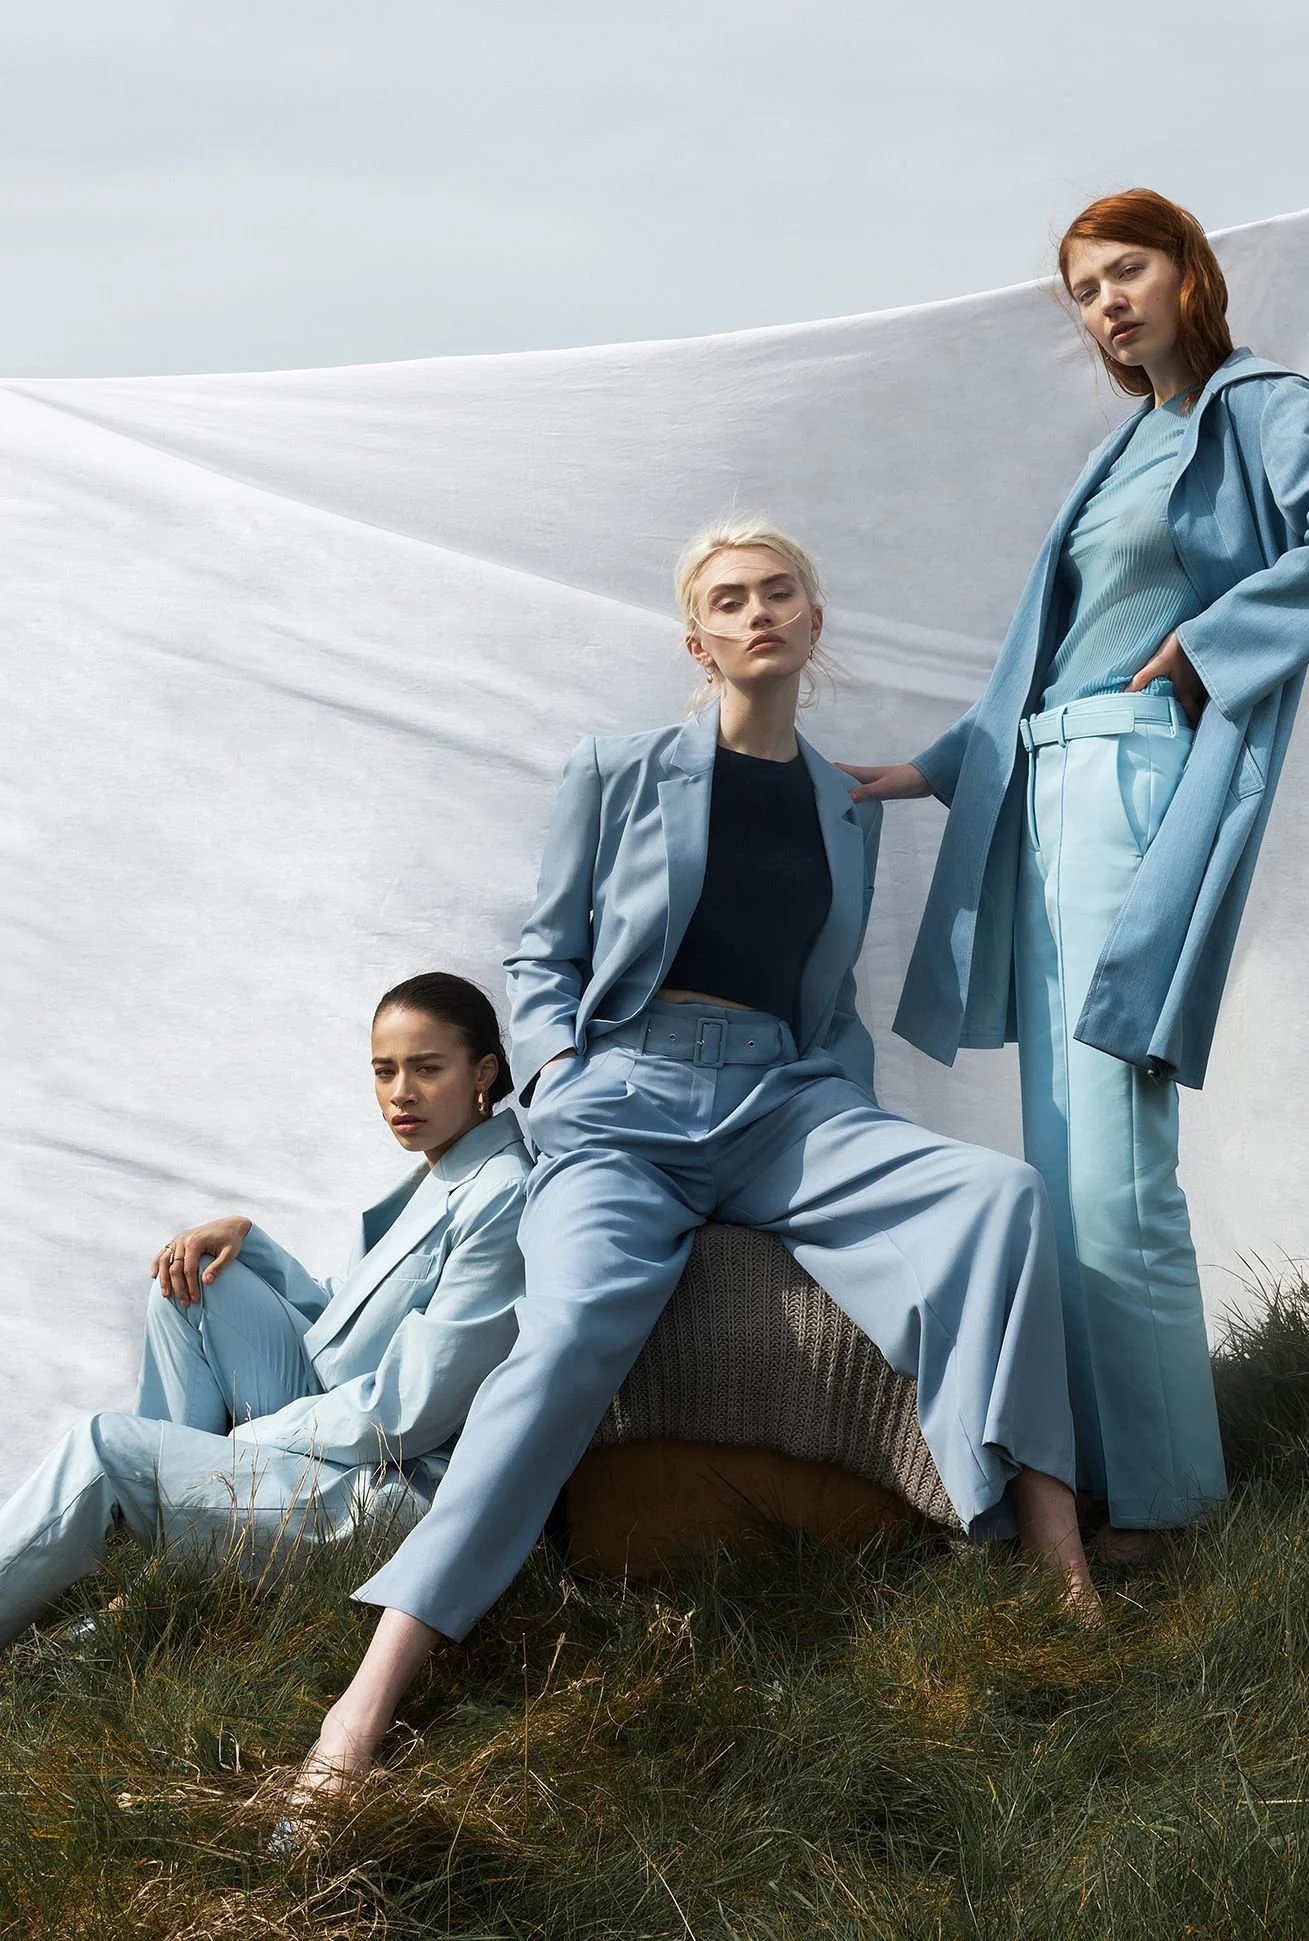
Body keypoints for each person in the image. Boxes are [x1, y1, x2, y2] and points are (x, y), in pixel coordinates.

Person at [289, 519, 1097, 1807]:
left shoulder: (844, 802)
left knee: (995, 1194)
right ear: (698, 638)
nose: (760, 611)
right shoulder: (617, 769)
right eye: (731, 599)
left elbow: (830, 998)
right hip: (628, 1098)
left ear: (813, 624)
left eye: (782, 592)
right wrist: (561, 1082)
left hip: (784, 1095)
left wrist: (842, 1115)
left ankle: (1054, 1563)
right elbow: (545, 957)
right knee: (565, 1340)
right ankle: (369, 1693)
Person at [841, 189, 1309, 1562]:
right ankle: (1098, 1484)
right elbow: (1053, 653)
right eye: (1084, 287)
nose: (1106, 300)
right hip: (1042, 787)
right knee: (1060, 1154)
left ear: (1186, 273)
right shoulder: (1123, 452)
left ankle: (1171, 1507)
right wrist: (930, 769)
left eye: (1126, 270)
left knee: (1114, 1162)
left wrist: (1213, 643)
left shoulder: (1257, 403)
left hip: (1125, 784)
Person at [0, 972, 529, 1647]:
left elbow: (410, 1411)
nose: (401, 1092)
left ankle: (142, 1506)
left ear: (484, 1070)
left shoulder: (499, 1197)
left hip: (391, 1489)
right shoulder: (449, 1164)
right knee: (190, 1283)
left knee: (104, 1449)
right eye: (384, 1069)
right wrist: (251, 1242)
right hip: (346, 1418)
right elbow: (354, 1317)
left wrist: (257, 1436)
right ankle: (150, 1561)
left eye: (427, 1068)